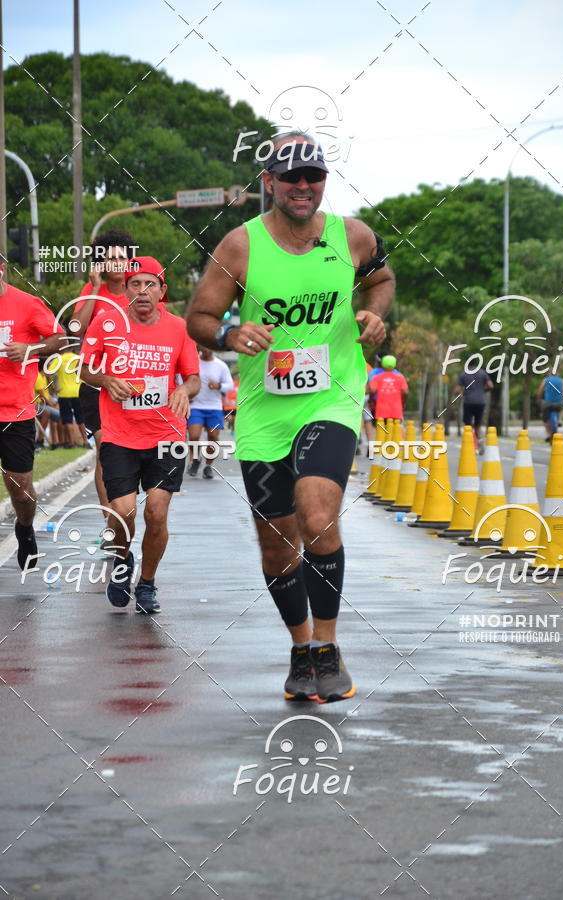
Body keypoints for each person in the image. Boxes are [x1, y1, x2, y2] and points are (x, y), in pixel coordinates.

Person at [186, 132, 394, 702]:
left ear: (324, 181)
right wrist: (229, 331)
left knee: (318, 511)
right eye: (292, 176)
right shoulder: (240, 246)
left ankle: (327, 647)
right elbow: (199, 317)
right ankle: (301, 649)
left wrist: (372, 317)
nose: (304, 186)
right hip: (264, 411)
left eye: (314, 175)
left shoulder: (352, 236)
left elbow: (380, 280)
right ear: (269, 183)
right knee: (278, 546)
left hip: (333, 396)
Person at [80, 256, 199, 613]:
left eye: (150, 284)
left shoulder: (179, 328)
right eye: (135, 284)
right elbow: (84, 369)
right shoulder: (107, 322)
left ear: (162, 291)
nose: (142, 291)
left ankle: (146, 584)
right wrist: (106, 380)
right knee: (123, 511)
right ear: (126, 290)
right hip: (119, 434)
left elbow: (192, 377)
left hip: (167, 434)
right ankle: (122, 560)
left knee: (157, 514)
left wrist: (184, 391)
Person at [70, 230, 137, 538]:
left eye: (122, 256)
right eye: (110, 257)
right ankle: (110, 522)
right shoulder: (92, 290)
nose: (117, 262)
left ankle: (125, 509)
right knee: (105, 450)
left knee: (131, 452)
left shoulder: (140, 289)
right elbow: (75, 329)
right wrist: (94, 289)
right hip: (96, 384)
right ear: (101, 262)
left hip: (134, 385)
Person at [0, 262, 64, 568]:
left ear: (1, 269)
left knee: (21, 491)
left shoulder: (27, 304)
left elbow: (60, 340)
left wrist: (30, 349)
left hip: (15, 411)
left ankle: (25, 529)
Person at [187, 346, 233, 478]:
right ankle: (195, 459)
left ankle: (208, 466)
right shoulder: (194, 362)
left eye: (209, 347)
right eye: (204, 347)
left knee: (213, 437)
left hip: (214, 407)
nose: (206, 349)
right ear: (200, 347)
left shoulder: (221, 365)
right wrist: (186, 394)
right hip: (195, 405)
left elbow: (229, 384)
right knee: (194, 436)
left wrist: (219, 386)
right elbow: (182, 378)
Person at [53, 345, 87, 448]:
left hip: (64, 393)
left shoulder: (59, 359)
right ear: (72, 348)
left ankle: (72, 442)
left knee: (67, 419)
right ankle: (85, 442)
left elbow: (48, 373)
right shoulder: (78, 358)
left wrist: (55, 387)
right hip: (78, 392)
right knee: (81, 419)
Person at [454, 367, 493, 453]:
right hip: (480, 401)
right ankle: (480, 442)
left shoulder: (464, 374)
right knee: (478, 425)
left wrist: (459, 392)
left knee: (468, 426)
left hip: (468, 401)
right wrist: (483, 391)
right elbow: (490, 386)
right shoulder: (483, 373)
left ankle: (471, 445)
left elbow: (457, 390)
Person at [368, 354, 408, 421]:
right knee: (395, 430)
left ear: (382, 365)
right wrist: (403, 402)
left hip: (381, 411)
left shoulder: (377, 378)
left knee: (381, 430)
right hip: (396, 411)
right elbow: (405, 392)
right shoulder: (400, 378)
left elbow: (372, 390)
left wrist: (371, 400)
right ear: (394, 365)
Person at [537, 374, 563, 442]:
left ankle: (548, 434)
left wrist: (539, 399)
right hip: (559, 403)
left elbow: (540, 390)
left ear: (549, 374)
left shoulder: (546, 380)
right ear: (557, 374)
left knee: (544, 418)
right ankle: (560, 419)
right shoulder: (562, 380)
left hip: (547, 403)